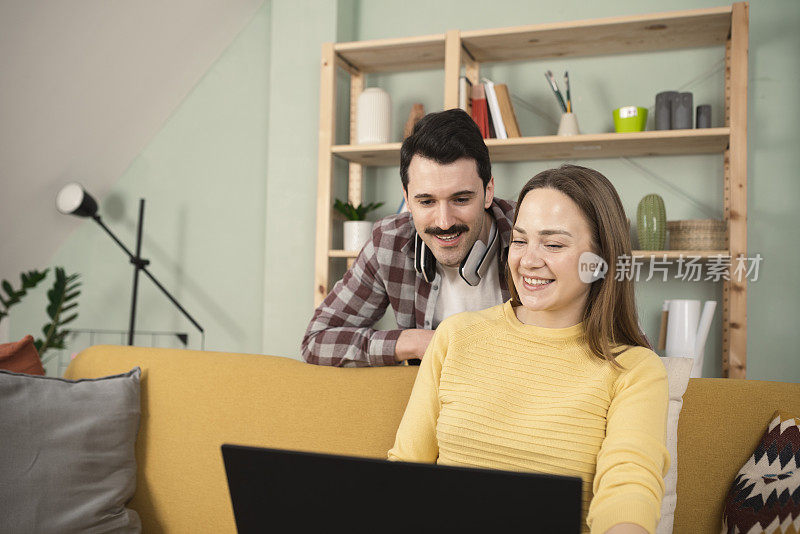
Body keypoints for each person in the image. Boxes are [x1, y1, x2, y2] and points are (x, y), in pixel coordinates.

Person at [388, 164, 669, 534]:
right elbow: (405, 473)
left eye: (553, 244)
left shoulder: (634, 369)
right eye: (520, 240)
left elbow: (627, 490)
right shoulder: (456, 336)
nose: (529, 260)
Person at [301, 109, 516, 367]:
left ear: (488, 191)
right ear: (407, 197)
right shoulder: (388, 242)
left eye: (461, 199)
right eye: (426, 201)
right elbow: (317, 340)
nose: (444, 222)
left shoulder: (528, 232)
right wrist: (414, 342)